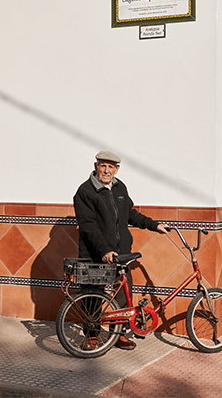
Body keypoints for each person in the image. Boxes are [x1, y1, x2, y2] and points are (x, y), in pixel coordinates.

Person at [73, 150, 169, 351]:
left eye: (111, 167)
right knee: (92, 295)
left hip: (121, 253)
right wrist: (104, 250)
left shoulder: (120, 187)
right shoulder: (85, 192)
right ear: (95, 166)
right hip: (95, 254)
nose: (106, 170)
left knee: (123, 296)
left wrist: (154, 225)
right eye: (103, 165)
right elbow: (88, 225)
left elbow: (130, 214)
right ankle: (91, 335)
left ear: (117, 169)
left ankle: (119, 334)